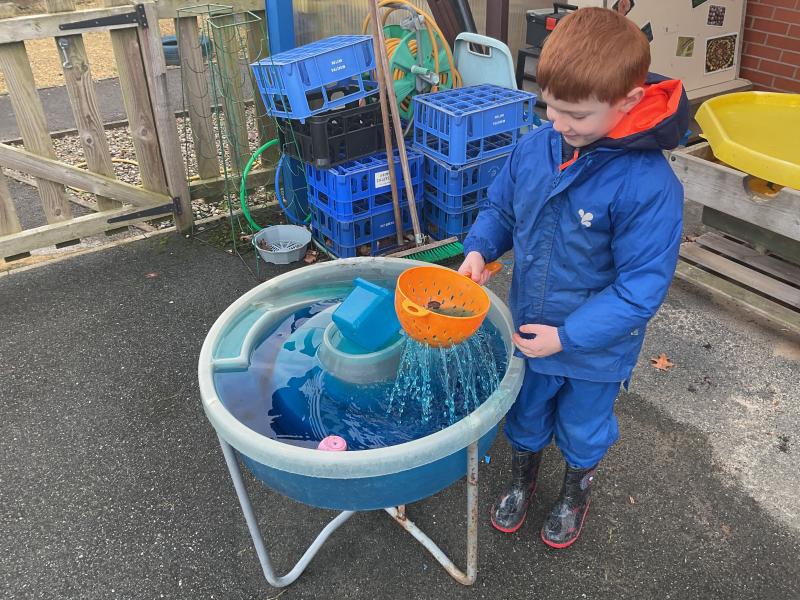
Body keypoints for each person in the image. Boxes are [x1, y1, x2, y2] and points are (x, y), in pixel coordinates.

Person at [458, 7, 689, 548]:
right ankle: (523, 476)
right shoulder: (535, 148)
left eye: (577, 115)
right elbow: (502, 207)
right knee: (526, 411)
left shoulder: (649, 185)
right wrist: (479, 249)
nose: (559, 124)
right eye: (550, 107)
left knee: (584, 426)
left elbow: (639, 290)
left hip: (595, 347)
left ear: (627, 101)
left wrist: (567, 337)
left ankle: (575, 490)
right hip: (530, 326)